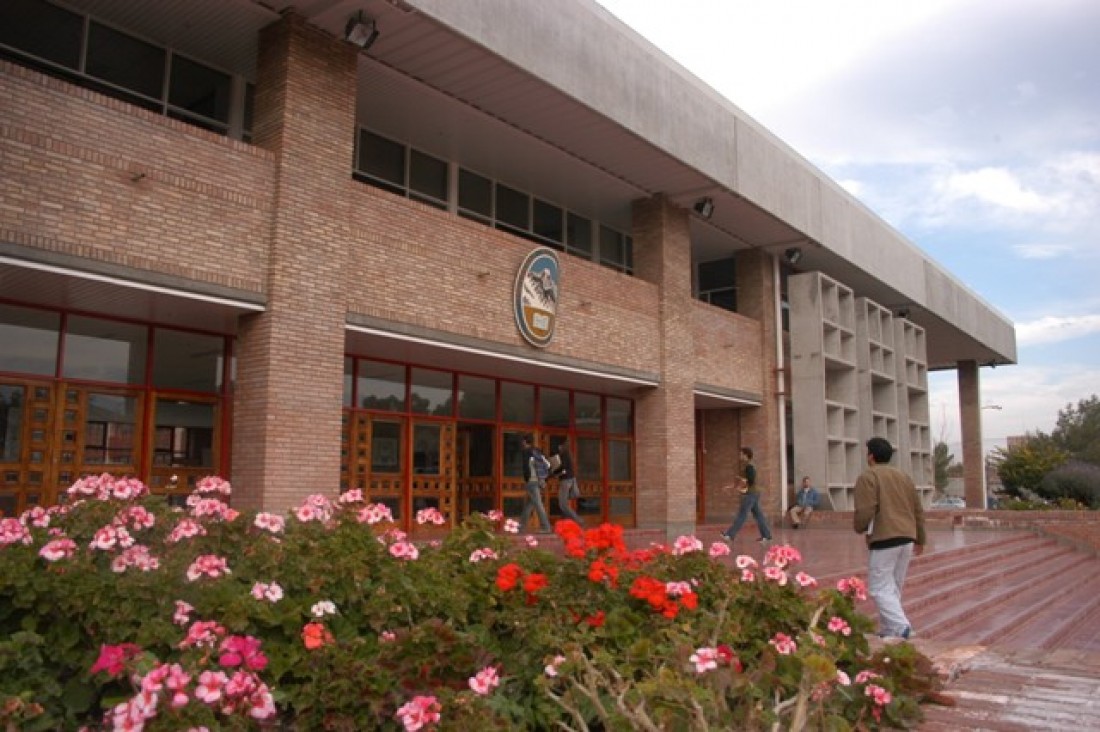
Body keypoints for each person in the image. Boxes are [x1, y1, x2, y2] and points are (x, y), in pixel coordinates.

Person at [853, 437, 926, 640]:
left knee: (878, 588)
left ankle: (903, 628)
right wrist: (921, 538)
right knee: (893, 586)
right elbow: (917, 509)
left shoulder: (868, 477)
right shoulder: (904, 477)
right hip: (907, 538)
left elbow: (866, 509)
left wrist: (859, 527)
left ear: (871, 456)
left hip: (885, 537)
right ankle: (889, 629)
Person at [721, 447, 772, 544]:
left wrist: (740, 486)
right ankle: (767, 536)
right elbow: (742, 480)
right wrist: (731, 487)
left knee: (742, 514)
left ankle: (729, 535)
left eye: (741, 454)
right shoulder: (746, 466)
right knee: (758, 515)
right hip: (754, 493)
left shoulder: (749, 467)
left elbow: (750, 480)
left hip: (750, 494)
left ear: (746, 455)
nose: (740, 456)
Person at [519, 434, 553, 533]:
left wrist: (527, 479)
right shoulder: (537, 452)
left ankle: (546, 527)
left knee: (538, 504)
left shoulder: (526, 452)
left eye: (522, 441)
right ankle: (521, 526)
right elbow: (548, 465)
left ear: (525, 442)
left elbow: (526, 468)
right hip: (539, 481)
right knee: (530, 504)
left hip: (532, 481)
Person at [551, 442, 583, 524]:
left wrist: (554, 472)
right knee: (564, 503)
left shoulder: (564, 455)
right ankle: (566, 522)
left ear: (561, 446)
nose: (558, 448)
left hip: (565, 480)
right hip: (569, 480)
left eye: (559, 446)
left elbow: (562, 467)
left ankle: (578, 520)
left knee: (563, 504)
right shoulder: (568, 455)